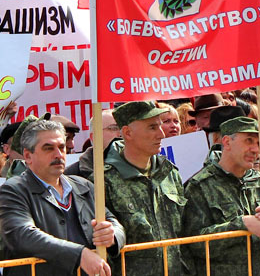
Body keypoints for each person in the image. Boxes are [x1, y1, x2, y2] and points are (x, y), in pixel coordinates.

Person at [0, 118, 125, 276]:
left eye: (61, 147)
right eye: (48, 148)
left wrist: (112, 235)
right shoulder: (13, 190)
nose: (58, 154)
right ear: (28, 156)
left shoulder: (84, 186)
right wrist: (79, 254)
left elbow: (112, 221)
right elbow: (22, 234)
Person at [182, 116, 260, 275]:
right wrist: (241, 225)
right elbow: (194, 245)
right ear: (227, 142)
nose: (255, 150)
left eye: (258, 143)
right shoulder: (200, 186)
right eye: (249, 141)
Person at [101, 101, 187, 275]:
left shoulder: (169, 173)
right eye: (152, 127)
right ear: (127, 133)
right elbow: (105, 247)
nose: (161, 134)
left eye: (160, 126)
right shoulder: (105, 181)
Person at [65, 109, 121, 179]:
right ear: (95, 137)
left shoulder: (133, 168)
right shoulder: (71, 176)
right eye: (114, 128)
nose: (121, 134)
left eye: (125, 129)